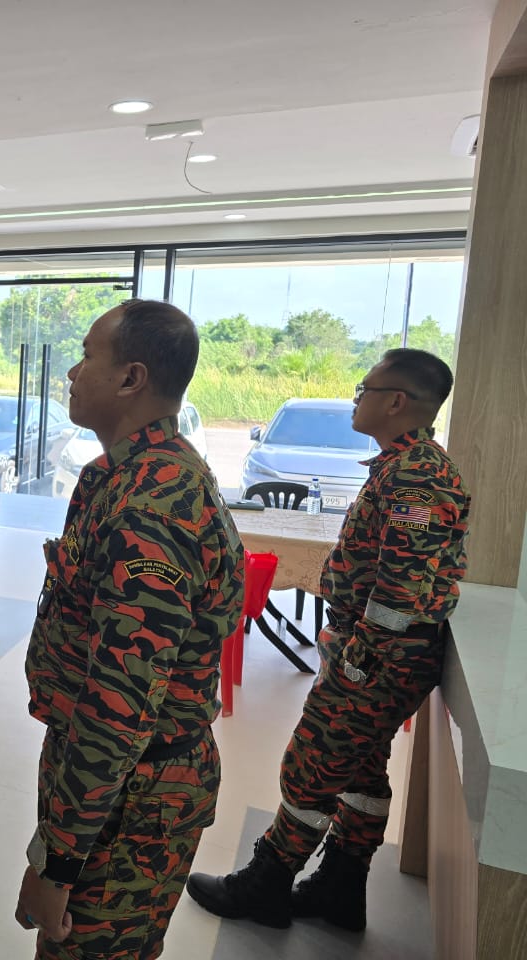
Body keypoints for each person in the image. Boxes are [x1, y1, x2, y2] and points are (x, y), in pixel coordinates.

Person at [186, 348, 469, 933]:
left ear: (397, 401)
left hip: (383, 659)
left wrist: (357, 660)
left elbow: (401, 589)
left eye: (366, 388)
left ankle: (265, 884)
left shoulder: (417, 475)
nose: (356, 399)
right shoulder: (401, 465)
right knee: (361, 769)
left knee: (310, 767)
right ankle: (342, 886)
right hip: (387, 655)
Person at [17, 299, 244, 960]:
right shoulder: (116, 476)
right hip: (104, 784)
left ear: (131, 378)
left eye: (87, 355)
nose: (72, 371)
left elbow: (119, 707)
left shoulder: (153, 505)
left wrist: (58, 863)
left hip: (133, 797)